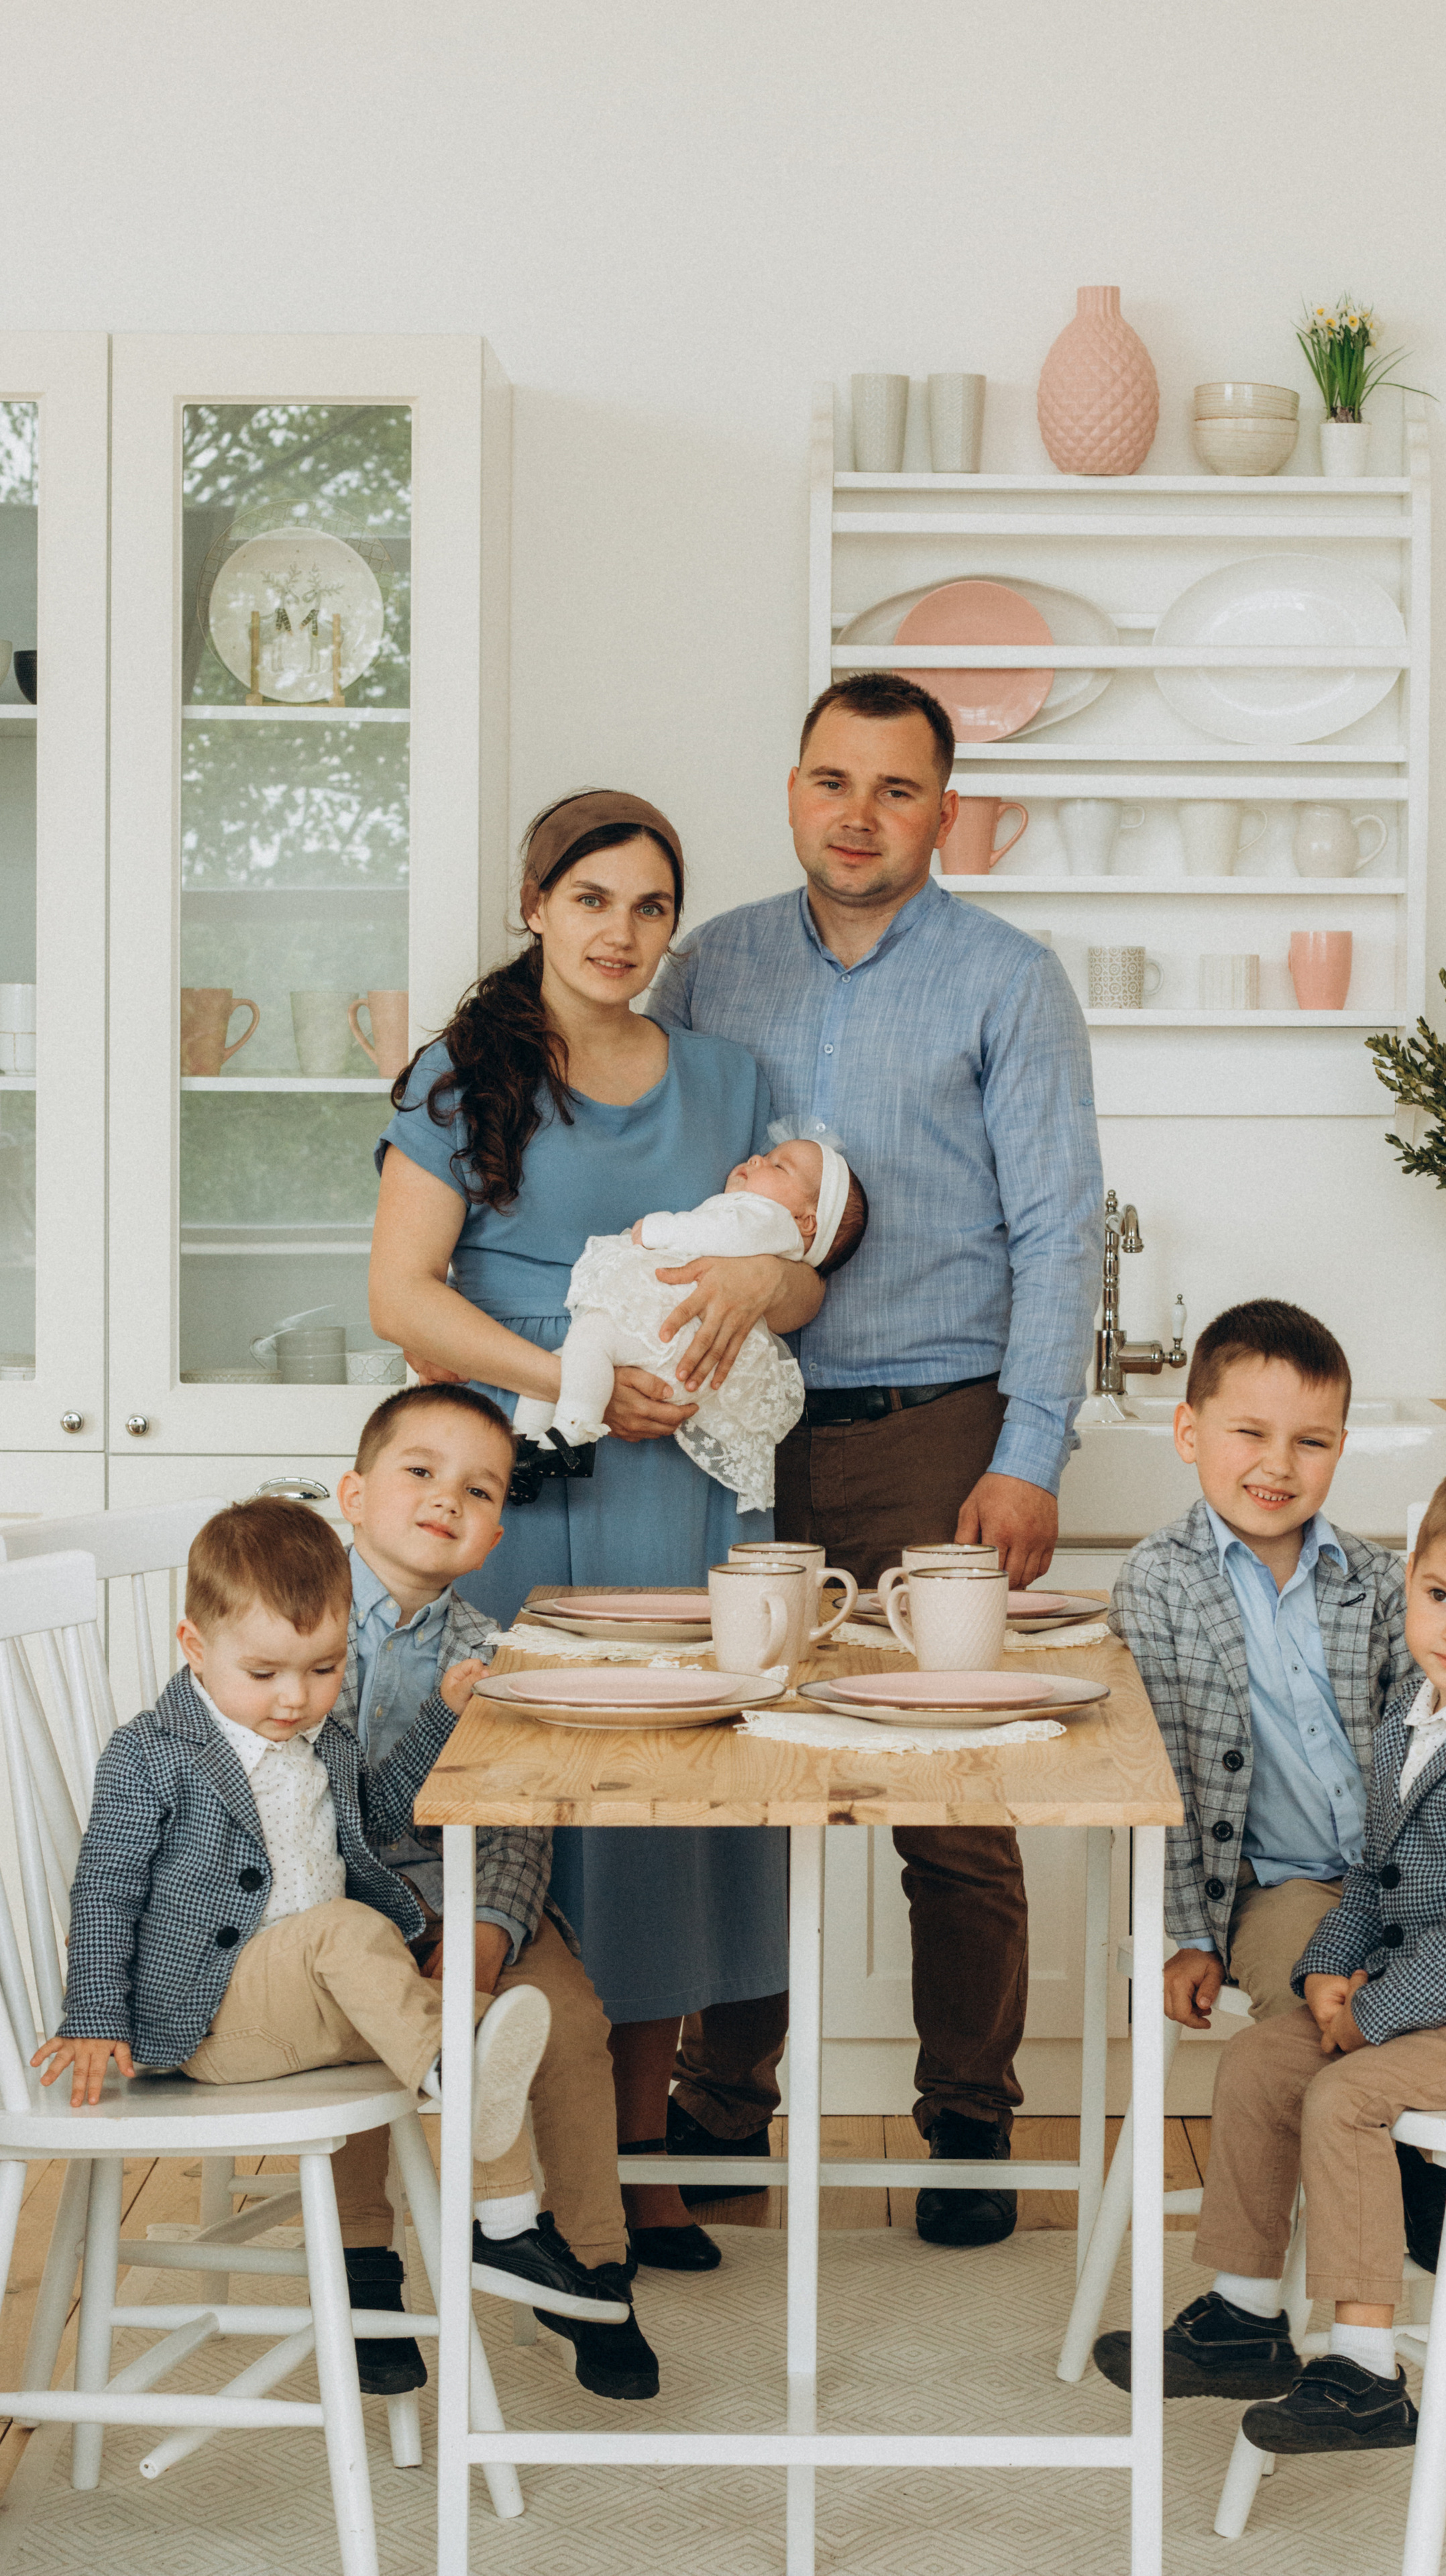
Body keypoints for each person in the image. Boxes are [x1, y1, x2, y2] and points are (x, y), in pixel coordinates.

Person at [651, 672, 1105, 2249]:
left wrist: (1027, 1451)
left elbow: (1058, 1228)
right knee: (736, 1785)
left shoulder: (1007, 981)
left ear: (943, 811)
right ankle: (719, 2106)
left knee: (951, 1797)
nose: (859, 816)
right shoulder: (707, 969)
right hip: (736, 1436)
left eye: (895, 789)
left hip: (937, 1433)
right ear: (792, 790)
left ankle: (968, 2120)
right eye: (832, 782)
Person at [368, 789, 824, 2269]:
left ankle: (638, 2171)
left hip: (681, 1488)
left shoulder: (727, 1079)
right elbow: (401, 1294)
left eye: (648, 908)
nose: (620, 933)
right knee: (527, 1816)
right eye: (591, 900)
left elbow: (793, 1270)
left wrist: (763, 1290)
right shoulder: (462, 1074)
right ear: (534, 904)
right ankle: (517, 2170)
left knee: (665, 1826)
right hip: (520, 1481)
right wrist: (566, 1379)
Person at [1109, 1452, 1446, 2453]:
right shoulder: (1414, 1714)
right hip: (1442, 2008)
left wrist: (1372, 2017)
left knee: (1346, 2095)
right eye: (1440, 1597)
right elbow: (1372, 1875)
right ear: (1410, 1578)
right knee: (1260, 2060)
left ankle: (1365, 2373)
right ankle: (1245, 2314)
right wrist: (1324, 1976)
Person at [38, 1499, 575, 2302]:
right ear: (195, 1647)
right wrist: (93, 2014)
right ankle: (446, 2074)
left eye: (323, 1670)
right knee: (347, 1932)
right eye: (264, 1674)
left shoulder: (324, 1742)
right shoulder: (150, 1753)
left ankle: (506, 2227)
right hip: (218, 2016)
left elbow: (381, 1818)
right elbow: (105, 1890)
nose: (294, 1698)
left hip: (318, 1998)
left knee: (480, 2022)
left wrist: (443, 1718)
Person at [1106, 1299, 1446, 2314]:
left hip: (1398, 1879)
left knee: (1443, 1962)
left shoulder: (1379, 1583)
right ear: (1189, 1433)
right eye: (1250, 1433)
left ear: (1340, 1449)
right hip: (1277, 1893)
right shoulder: (1159, 1585)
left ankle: (1406, 2155)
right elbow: (1166, 1781)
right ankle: (1407, 2175)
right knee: (1322, 1982)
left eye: (1310, 1441)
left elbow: (1442, 1746)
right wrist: (1189, 1934)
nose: (1278, 1465)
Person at [332, 1381, 659, 2402]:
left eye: (477, 1490)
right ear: (353, 1494)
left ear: (493, 1536)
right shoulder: (297, 1618)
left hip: (464, 1890)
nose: (446, 1498)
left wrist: (481, 1935)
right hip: (331, 1901)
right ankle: (362, 2263)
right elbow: (303, 1807)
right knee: (359, 2020)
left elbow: (517, 1816)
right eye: (419, 1471)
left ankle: (591, 2263)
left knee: (568, 2018)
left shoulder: (491, 1651)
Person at [514, 1134, 868, 1511]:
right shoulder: (759, 1217)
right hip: (678, 1335)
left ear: (806, 1220)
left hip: (684, 1338)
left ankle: (573, 1440)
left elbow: (723, 1232)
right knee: (566, 1363)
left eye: (778, 1166)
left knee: (589, 1338)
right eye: (766, 1154)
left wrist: (659, 1229)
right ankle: (524, 1449)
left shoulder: (771, 1220)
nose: (757, 1159)